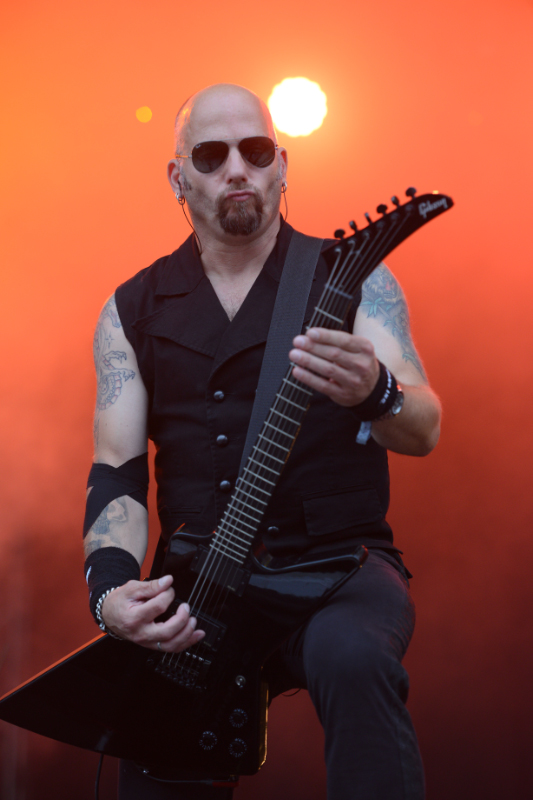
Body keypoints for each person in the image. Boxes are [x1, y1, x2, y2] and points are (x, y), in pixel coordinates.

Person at [83, 84, 441, 800]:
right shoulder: (131, 309)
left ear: (282, 165)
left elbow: (424, 426)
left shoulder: (355, 279)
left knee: (352, 659)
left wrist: (376, 389)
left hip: (337, 569)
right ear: (178, 176)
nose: (236, 169)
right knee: (154, 739)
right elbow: (117, 470)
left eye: (255, 151)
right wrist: (109, 593)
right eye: (211, 156)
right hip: (202, 585)